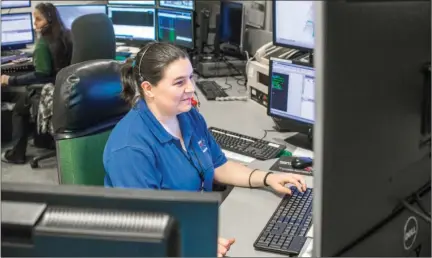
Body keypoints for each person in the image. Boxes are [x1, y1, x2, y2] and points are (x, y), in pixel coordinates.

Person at [103, 42, 307, 257]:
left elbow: (219, 165)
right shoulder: (129, 149)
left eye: (190, 77)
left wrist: (266, 178)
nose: (191, 88)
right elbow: (144, 226)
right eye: (179, 82)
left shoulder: (186, 115)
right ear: (148, 88)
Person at [1, 3, 73, 164]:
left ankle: (16, 154)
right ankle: (42, 141)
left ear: (48, 19)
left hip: (49, 92)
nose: (35, 25)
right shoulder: (67, 34)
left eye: (38, 20)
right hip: (66, 90)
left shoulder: (42, 43)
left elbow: (41, 74)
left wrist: (10, 80)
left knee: (20, 107)